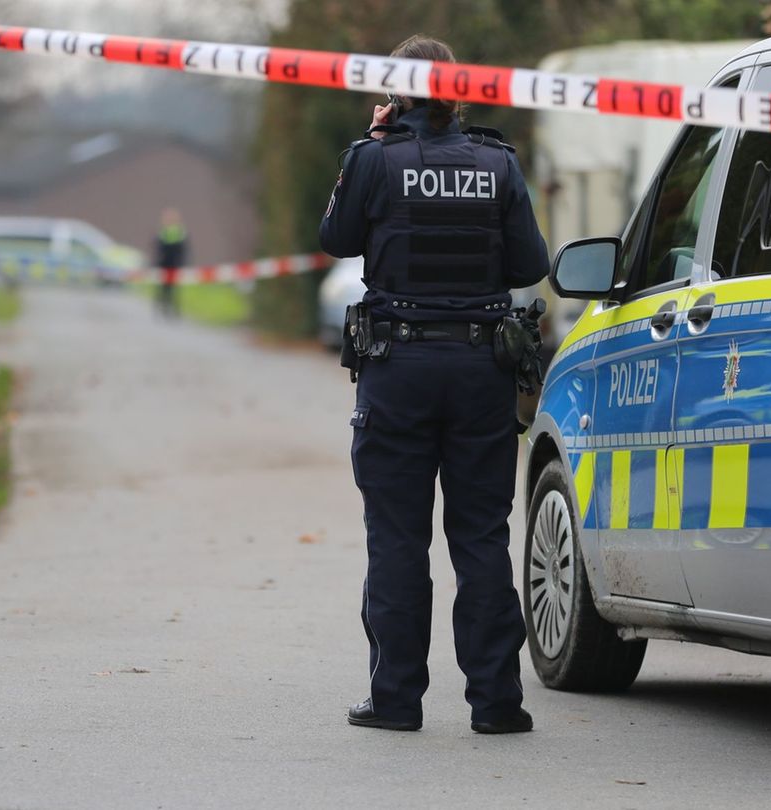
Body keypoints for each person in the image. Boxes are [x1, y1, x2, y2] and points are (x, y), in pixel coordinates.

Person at [319, 35, 550, 734]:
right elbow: (529, 262)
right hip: (481, 369)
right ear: (462, 89)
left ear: (395, 92)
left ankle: (395, 699)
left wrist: (374, 141)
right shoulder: (498, 162)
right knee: (481, 536)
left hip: (400, 369)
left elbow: (335, 238)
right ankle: (497, 703)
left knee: (396, 537)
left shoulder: (374, 159)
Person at [153, 208, 188, 318]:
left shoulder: (178, 232)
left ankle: (171, 310)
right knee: (165, 289)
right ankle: (164, 308)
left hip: (173, 265)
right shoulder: (165, 232)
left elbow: (183, 250)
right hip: (166, 265)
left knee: (172, 289)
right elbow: (158, 249)